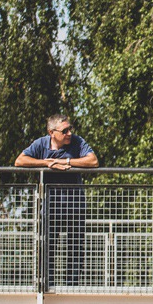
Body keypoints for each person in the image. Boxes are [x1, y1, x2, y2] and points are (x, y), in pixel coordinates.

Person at [15, 115, 98, 288]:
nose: (69, 133)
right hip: (50, 207)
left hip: (75, 206)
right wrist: (47, 164)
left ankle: (72, 286)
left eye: (70, 129)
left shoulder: (76, 142)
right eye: (64, 131)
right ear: (52, 133)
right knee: (48, 246)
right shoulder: (41, 144)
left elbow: (93, 161)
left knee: (75, 248)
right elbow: (20, 160)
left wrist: (64, 161)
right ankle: (47, 285)